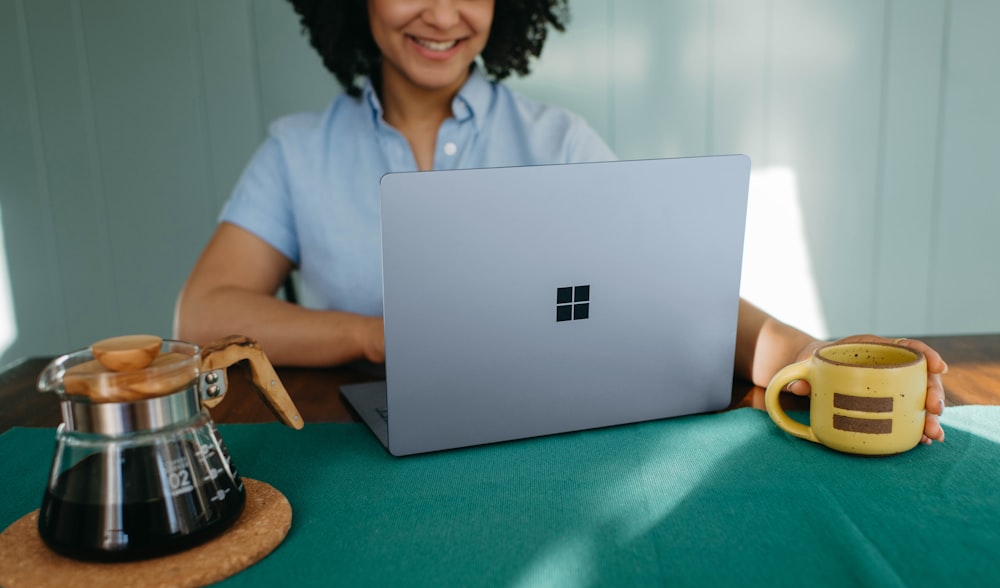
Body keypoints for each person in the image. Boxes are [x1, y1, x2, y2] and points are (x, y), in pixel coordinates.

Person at [175, 0, 947, 443]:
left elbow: (675, 296)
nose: (442, 13)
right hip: (357, 451)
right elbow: (204, 313)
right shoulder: (296, 151)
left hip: (547, 445)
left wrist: (816, 357)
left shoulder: (560, 141)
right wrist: (375, 334)